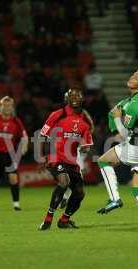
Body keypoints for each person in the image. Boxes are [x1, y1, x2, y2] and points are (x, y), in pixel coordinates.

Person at [97, 68, 138, 231]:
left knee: (103, 161)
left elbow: (126, 132)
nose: (131, 77)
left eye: (136, 77)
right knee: (136, 186)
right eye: (133, 75)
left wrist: (116, 119)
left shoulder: (134, 104)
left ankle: (114, 198)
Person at [38, 88, 93, 230]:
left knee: (80, 193)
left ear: (82, 99)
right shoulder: (58, 114)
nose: (74, 97)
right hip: (55, 157)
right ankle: (47, 220)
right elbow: (42, 135)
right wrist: (40, 156)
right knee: (64, 182)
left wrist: (85, 148)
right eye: (71, 95)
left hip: (72, 161)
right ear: (66, 99)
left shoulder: (84, 121)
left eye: (77, 95)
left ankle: (64, 220)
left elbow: (86, 143)